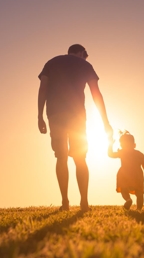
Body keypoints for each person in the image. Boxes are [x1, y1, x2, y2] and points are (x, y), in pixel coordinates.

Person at [38, 44, 112, 212]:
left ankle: (65, 202)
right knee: (80, 158)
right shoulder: (85, 65)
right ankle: (84, 202)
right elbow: (96, 94)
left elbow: (42, 89)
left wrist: (39, 116)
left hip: (55, 115)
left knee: (61, 157)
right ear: (81, 53)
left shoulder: (51, 63)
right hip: (77, 116)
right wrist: (105, 122)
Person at [108, 131, 144, 210]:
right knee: (139, 193)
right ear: (134, 145)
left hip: (124, 174)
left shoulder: (122, 152)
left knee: (124, 190)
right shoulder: (139, 154)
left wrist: (110, 144)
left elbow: (110, 154)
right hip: (137, 176)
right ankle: (139, 209)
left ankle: (128, 199)